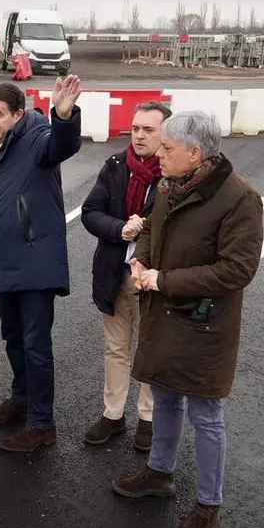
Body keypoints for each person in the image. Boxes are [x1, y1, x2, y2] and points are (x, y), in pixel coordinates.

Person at [110, 110, 263, 528]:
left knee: (206, 416)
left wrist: (163, 281)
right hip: (165, 316)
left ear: (195, 154)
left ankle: (208, 506)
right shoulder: (169, 186)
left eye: (168, 148)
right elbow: (151, 231)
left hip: (203, 324)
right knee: (165, 396)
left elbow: (237, 270)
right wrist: (140, 260)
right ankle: (159, 473)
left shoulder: (239, 199)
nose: (158, 153)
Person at [0, 77, 83, 453]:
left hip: (34, 263)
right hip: (4, 262)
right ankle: (20, 399)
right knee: (13, 338)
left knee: (36, 344)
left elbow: (61, 146)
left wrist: (64, 116)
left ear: (18, 114)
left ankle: (41, 423)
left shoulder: (36, 139)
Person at [80, 101, 172, 452]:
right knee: (115, 349)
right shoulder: (117, 165)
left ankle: (147, 420)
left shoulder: (173, 175)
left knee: (150, 351)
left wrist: (145, 228)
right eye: (135, 128)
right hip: (113, 274)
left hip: (151, 281)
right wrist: (120, 229)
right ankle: (113, 415)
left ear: (165, 133)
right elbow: (90, 213)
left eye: (148, 129)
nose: (139, 136)